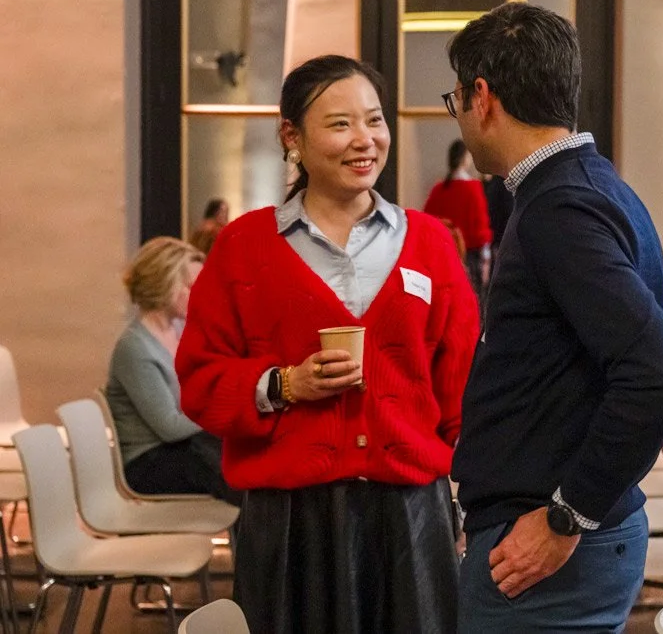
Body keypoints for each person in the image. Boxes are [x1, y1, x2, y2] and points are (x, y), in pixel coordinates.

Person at [176, 54, 480, 634]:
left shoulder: (431, 244)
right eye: (340, 124)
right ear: (291, 135)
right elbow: (197, 381)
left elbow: (463, 388)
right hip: (292, 520)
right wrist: (286, 384)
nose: (364, 140)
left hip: (411, 513)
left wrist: (471, 500)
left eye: (374, 121)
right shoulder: (244, 248)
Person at [445, 2, 663, 633]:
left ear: (483, 96)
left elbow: (658, 375)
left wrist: (565, 517)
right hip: (559, 535)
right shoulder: (589, 184)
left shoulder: (562, 204)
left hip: (549, 549)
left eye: (455, 99)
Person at [107, 237, 239, 504]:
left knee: (250, 455)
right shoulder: (135, 347)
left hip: (180, 449)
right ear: (164, 285)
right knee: (241, 470)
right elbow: (169, 427)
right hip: (148, 463)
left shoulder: (177, 330)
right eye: (192, 287)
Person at [424, 139, 492, 299]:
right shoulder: (473, 187)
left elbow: (427, 222)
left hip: (444, 257)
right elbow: (480, 226)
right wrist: (486, 257)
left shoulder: (439, 189)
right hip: (470, 257)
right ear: (465, 158)